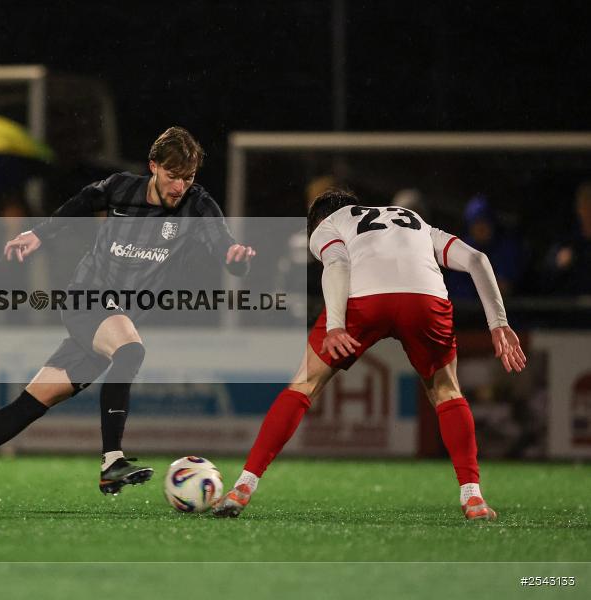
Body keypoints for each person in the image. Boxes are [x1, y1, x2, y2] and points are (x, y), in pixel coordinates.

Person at [0, 127, 255, 508]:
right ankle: (112, 461)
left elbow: (225, 248)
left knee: (28, 406)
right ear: (153, 166)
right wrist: (39, 235)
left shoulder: (198, 205)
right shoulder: (122, 188)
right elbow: (83, 201)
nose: (179, 187)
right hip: (86, 298)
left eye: (188, 178)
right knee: (131, 351)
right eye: (173, 176)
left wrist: (236, 258)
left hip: (112, 318)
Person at [213, 189, 526, 521]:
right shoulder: (414, 221)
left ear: (316, 220)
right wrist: (499, 324)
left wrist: (335, 325)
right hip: (424, 298)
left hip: (364, 300)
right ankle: (473, 496)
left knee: (303, 385)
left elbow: (337, 262)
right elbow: (477, 259)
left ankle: (244, 485)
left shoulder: (327, 224)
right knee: (447, 391)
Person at [546, 182, 591, 295]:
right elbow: (548, 273)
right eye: (584, 207)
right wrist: (558, 264)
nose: (587, 212)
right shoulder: (568, 239)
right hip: (572, 302)